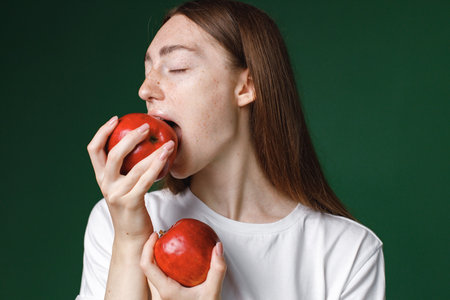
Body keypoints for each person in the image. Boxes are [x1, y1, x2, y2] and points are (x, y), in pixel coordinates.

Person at [77, 0, 385, 299]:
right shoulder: (117, 221)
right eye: (148, 70)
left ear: (246, 86)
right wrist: (130, 238)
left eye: (177, 67)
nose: (145, 89)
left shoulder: (347, 253)